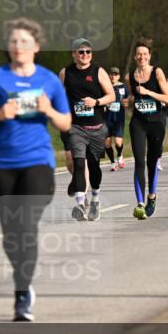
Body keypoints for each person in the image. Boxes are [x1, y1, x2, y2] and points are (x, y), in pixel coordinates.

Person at [0, 18, 71, 321]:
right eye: (13, 42)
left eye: (24, 42)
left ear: (36, 46)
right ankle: (22, 282)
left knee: (25, 225)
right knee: (12, 234)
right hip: (1, 165)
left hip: (37, 162)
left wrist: (48, 109)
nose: (17, 46)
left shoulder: (49, 80)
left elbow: (66, 122)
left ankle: (22, 292)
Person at [59, 38, 115, 221]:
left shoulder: (98, 72)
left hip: (97, 127)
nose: (85, 55)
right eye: (81, 52)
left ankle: (96, 198)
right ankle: (80, 204)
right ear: (74, 53)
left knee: (94, 165)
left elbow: (111, 96)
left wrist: (96, 102)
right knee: (79, 163)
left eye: (88, 52)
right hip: (76, 127)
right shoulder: (65, 72)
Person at [126, 38, 168, 218]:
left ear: (149, 56)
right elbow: (133, 98)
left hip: (156, 123)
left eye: (145, 54)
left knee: (152, 161)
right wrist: (127, 101)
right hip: (138, 122)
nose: (142, 57)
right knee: (138, 161)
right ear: (135, 57)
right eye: (139, 54)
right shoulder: (129, 76)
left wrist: (149, 92)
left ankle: (151, 196)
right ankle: (140, 203)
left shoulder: (157, 72)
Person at [105, 67, 130, 171]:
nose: (113, 76)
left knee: (118, 142)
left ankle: (119, 155)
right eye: (111, 74)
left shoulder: (123, 86)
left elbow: (128, 98)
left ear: (119, 76)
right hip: (106, 119)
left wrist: (127, 102)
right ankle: (112, 162)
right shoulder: (104, 86)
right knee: (106, 143)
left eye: (115, 74)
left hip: (118, 119)